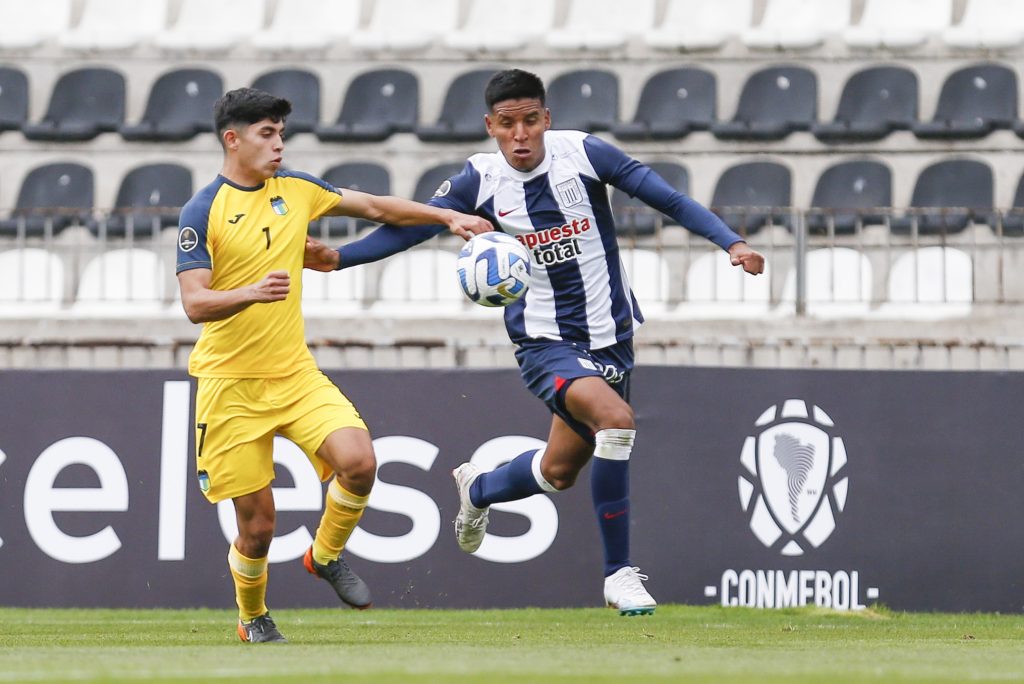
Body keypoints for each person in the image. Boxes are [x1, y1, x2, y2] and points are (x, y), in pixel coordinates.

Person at [304, 69, 765, 616]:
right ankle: (619, 574)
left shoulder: (585, 155)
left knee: (559, 472)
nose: (519, 134)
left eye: (529, 121)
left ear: (546, 119)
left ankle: (479, 490)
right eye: (507, 124)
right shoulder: (480, 179)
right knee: (615, 422)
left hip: (612, 336)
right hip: (544, 341)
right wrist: (340, 257)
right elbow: (410, 229)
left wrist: (731, 242)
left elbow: (668, 198)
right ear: (490, 127)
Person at [175, 87, 492, 643]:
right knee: (258, 529)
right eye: (266, 134)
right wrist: (251, 290)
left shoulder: (294, 189)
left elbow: (374, 207)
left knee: (360, 461)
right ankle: (252, 617)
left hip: (294, 374)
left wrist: (447, 216)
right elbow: (194, 303)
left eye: (280, 133)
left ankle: (324, 555)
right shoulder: (202, 210)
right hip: (229, 387)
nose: (278, 145)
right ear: (233, 139)